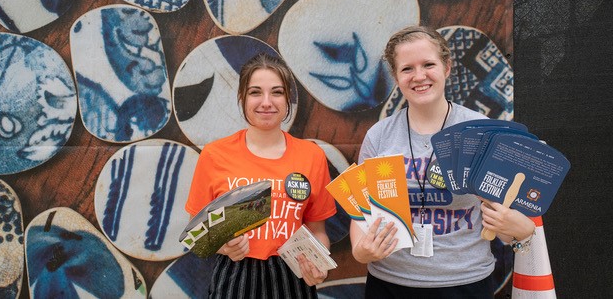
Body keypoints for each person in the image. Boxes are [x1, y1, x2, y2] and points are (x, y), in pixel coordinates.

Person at [349, 25, 535, 298]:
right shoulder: (379, 135)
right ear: (395, 76)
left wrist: (521, 233)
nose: (419, 76)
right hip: (389, 283)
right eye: (407, 68)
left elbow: (507, 226)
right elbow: (361, 210)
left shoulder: (482, 132)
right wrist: (360, 249)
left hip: (465, 283)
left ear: (447, 68)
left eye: (428, 64)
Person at [185, 53, 337, 299]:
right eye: (256, 92)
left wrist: (318, 262)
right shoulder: (215, 154)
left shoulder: (312, 156)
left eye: (277, 92)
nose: (266, 102)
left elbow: (317, 229)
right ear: (242, 98)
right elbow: (197, 232)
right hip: (235, 276)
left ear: (288, 99)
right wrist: (224, 246)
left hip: (292, 276)